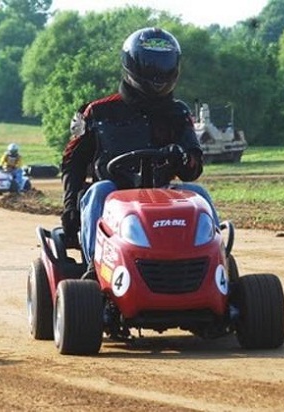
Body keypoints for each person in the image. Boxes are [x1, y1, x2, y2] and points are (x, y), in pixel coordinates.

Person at [60, 27, 220, 275]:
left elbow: (193, 169)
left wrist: (183, 158)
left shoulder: (177, 113)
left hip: (161, 193)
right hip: (113, 195)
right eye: (152, 66)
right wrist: (70, 207)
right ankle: (95, 266)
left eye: (164, 66)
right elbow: (73, 162)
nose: (158, 73)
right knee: (97, 190)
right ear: (134, 66)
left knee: (198, 194)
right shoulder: (97, 112)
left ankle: (215, 266)